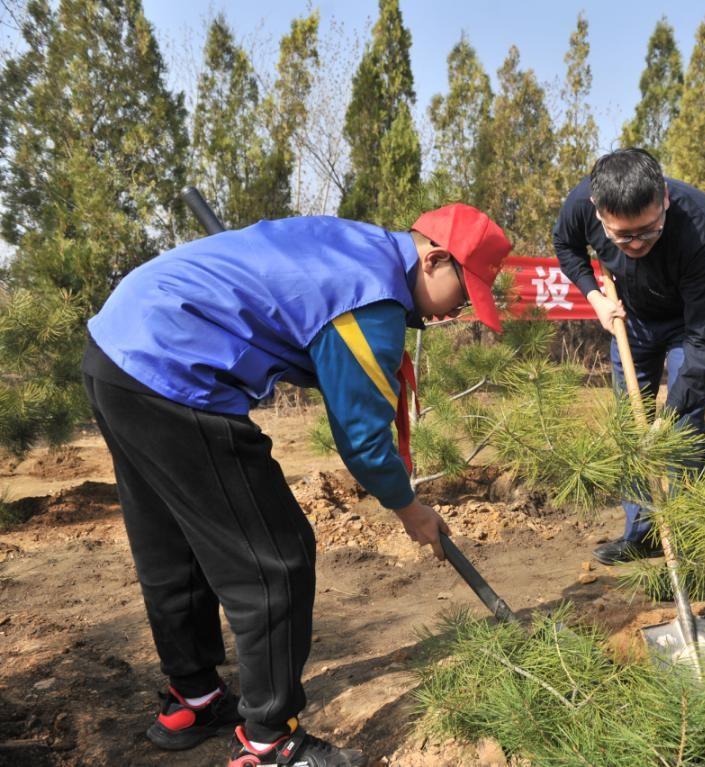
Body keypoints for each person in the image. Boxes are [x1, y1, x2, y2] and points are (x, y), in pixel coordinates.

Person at [82, 204, 512, 766]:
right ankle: (270, 742)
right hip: (176, 370)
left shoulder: (356, 244)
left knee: (173, 541)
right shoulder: (371, 298)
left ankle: (195, 698)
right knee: (275, 559)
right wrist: (410, 509)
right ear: (434, 259)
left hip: (117, 350)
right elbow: (363, 442)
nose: (457, 311)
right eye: (463, 294)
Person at [553, 147, 705, 565]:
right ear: (598, 213)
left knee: (684, 423)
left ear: (664, 200)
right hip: (630, 319)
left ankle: (690, 538)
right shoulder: (582, 202)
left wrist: (666, 422)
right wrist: (595, 297)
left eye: (648, 231)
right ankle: (643, 534)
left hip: (689, 323)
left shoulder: (696, 223)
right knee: (631, 424)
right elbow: (566, 246)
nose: (636, 244)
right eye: (622, 236)